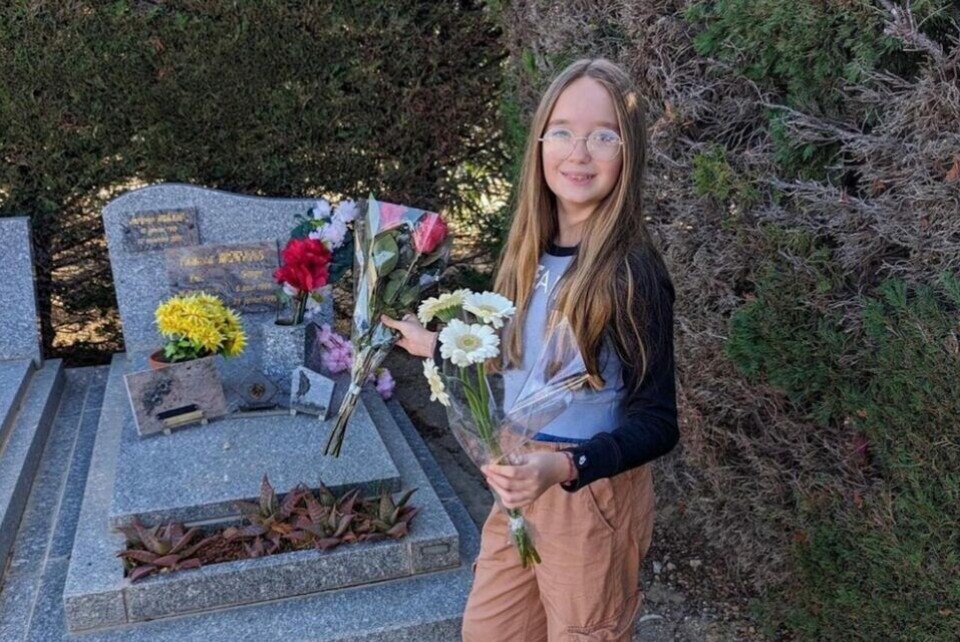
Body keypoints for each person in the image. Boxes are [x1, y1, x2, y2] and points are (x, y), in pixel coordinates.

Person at [380, 58, 679, 642]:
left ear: (629, 152)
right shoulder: (528, 254)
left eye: (604, 135)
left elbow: (659, 421)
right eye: (563, 131)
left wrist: (563, 466)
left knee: (585, 632)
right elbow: (524, 362)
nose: (580, 152)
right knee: (492, 630)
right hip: (517, 478)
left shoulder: (631, 271)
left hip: (586, 493)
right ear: (540, 142)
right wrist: (436, 344)